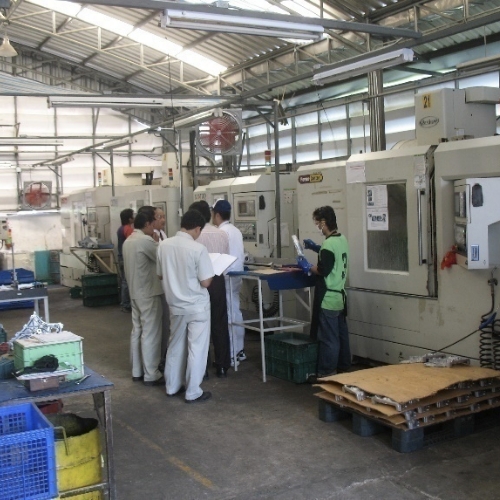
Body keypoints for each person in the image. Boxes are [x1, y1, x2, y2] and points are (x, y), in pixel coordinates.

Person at [157, 209, 214, 403]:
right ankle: (193, 391)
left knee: (175, 346)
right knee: (197, 349)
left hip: (175, 306)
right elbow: (205, 282)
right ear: (197, 229)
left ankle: (172, 386)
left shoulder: (163, 246)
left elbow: (160, 275)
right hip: (197, 307)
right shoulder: (198, 249)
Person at [297, 205, 350, 382]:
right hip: (340, 297)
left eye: (318, 223)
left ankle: (327, 372)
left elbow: (322, 270)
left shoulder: (328, 245)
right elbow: (333, 256)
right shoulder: (341, 239)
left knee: (329, 338)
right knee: (341, 336)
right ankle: (343, 367)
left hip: (328, 298)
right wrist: (316, 248)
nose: (318, 226)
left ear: (324, 222)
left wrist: (307, 266)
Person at [189, 200, 232, 378]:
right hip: (218, 280)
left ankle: (203, 367)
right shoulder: (221, 234)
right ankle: (222, 366)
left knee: (200, 325)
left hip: (200, 282)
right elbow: (226, 257)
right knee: (219, 322)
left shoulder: (195, 236)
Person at [123, 208, 164, 386]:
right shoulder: (145, 241)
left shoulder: (129, 240)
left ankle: (137, 371)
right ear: (147, 224)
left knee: (137, 331)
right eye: (154, 222)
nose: (155, 226)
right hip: (148, 293)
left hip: (135, 293)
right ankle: (151, 373)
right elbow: (162, 257)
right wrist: (157, 242)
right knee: (151, 333)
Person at [211, 199, 246, 366]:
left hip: (226, 276)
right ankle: (239, 350)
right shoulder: (235, 230)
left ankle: (232, 354)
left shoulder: (221, 232)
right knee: (236, 310)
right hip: (237, 274)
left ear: (217, 215)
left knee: (229, 315)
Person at [117, 208, 134, 312]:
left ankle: (124, 303)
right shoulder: (128, 229)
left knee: (124, 281)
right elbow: (131, 244)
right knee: (127, 282)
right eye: (133, 215)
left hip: (121, 257)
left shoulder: (120, 228)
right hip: (126, 258)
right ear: (129, 218)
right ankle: (126, 304)